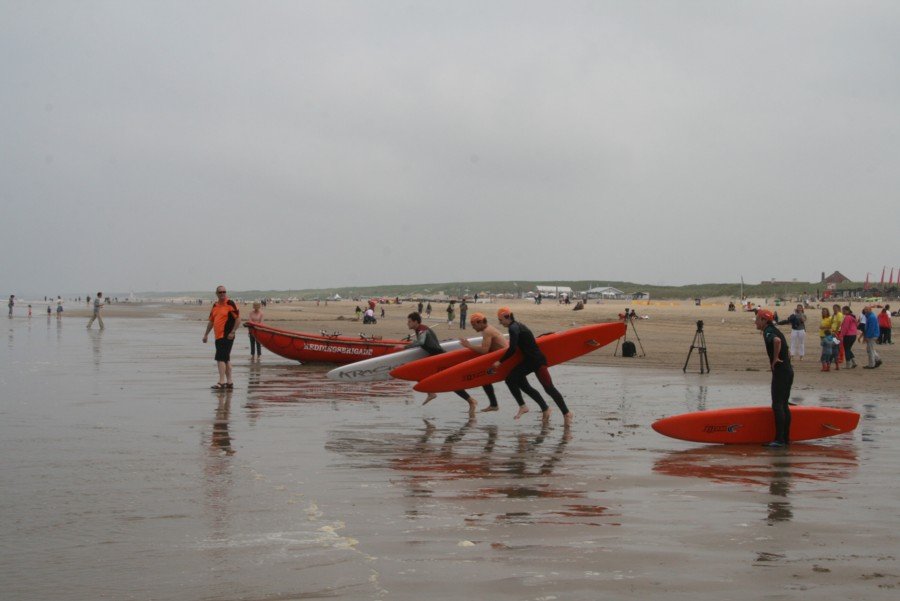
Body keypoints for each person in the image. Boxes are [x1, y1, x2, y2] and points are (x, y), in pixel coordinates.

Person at [492, 307, 572, 425]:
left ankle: (567, 413)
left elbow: (513, 348)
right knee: (513, 380)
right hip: (529, 361)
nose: (500, 323)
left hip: (537, 361)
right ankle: (542, 408)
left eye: (500, 320)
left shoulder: (513, 328)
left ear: (506, 317)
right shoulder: (518, 326)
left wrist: (500, 361)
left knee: (549, 388)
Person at [405, 312, 477, 414]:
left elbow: (421, 342)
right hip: (435, 357)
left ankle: (471, 401)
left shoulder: (422, 329)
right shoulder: (420, 329)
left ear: (415, 322)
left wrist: (406, 347)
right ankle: (431, 393)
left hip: (440, 358)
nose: (407, 324)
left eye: (409, 321)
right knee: (418, 371)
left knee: (450, 382)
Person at [755, 309, 793, 448]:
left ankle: (779, 440)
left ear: (764, 320)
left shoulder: (768, 331)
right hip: (788, 371)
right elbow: (787, 349)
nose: (756, 322)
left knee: (777, 405)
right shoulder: (776, 329)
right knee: (784, 405)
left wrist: (775, 358)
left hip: (781, 372)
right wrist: (785, 357)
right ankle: (785, 438)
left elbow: (777, 342)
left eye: (757, 319)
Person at [459, 312, 509, 412]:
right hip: (501, 359)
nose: (473, 328)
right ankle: (494, 404)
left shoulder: (487, 331)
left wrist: (469, 346)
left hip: (504, 361)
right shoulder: (488, 329)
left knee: (484, 378)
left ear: (480, 322)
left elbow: (484, 351)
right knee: (485, 379)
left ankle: (494, 405)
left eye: (474, 325)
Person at [203, 286, 241, 389]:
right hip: (218, 336)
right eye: (220, 292)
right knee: (226, 359)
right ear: (217, 293)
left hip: (227, 335)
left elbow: (238, 319)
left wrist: (233, 332)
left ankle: (221, 382)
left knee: (220, 358)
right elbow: (211, 321)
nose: (222, 293)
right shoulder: (215, 305)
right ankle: (229, 382)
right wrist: (206, 334)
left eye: (224, 292)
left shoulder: (230, 304)